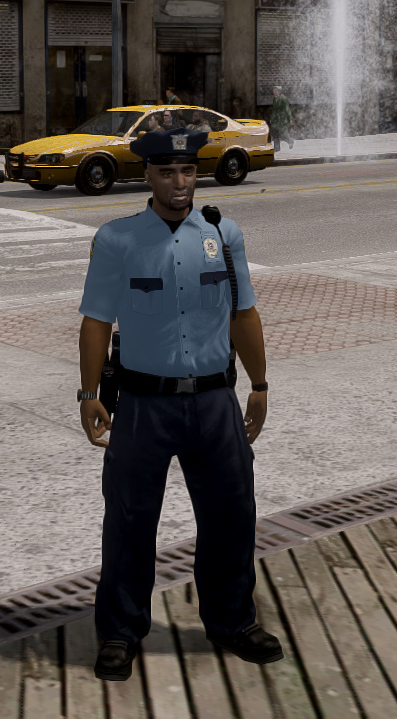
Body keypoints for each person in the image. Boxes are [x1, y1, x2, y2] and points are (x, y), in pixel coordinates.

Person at [76, 127, 280, 682]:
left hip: (215, 401)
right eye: (167, 172)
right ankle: (120, 632)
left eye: (187, 171)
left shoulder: (223, 234)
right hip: (143, 405)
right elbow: (96, 320)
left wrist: (260, 385)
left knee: (232, 515)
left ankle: (232, 621)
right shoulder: (117, 240)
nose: (179, 182)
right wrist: (89, 393)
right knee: (129, 521)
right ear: (148, 175)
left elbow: (244, 314)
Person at [268, 87, 294, 151]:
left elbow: (287, 109)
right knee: (275, 134)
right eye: (274, 90)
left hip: (282, 119)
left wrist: (290, 119)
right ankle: (277, 148)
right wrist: (272, 118)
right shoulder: (275, 99)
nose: (274, 92)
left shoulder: (283, 99)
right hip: (275, 120)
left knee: (283, 135)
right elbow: (274, 110)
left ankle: (290, 141)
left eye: (276, 91)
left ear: (279, 92)